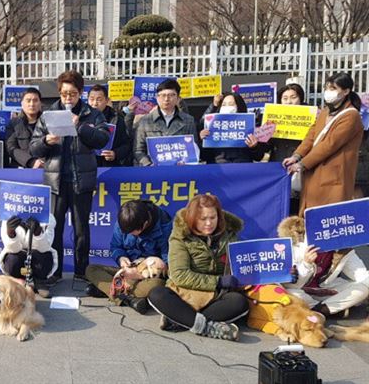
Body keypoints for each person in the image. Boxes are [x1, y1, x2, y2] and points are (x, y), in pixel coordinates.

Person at [29, 70, 110, 282]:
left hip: (81, 180)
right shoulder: (48, 115)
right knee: (54, 229)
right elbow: (33, 148)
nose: (68, 98)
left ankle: (82, 271)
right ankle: (54, 272)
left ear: (81, 93)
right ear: (59, 93)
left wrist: (80, 126)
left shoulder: (92, 114)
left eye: (73, 94)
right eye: (64, 94)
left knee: (81, 229)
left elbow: (102, 139)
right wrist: (46, 141)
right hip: (55, 181)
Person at [147, 195, 249, 341]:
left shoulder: (230, 235)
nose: (209, 223)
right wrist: (218, 281)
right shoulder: (179, 237)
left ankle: (180, 320)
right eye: (203, 219)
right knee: (157, 294)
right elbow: (180, 275)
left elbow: (247, 264)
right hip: (185, 292)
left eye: (213, 218)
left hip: (216, 296)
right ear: (193, 218)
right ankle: (206, 328)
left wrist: (283, 272)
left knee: (239, 302)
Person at [284, 72, 363, 216]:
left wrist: (302, 163)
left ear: (346, 91)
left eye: (333, 88)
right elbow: (311, 136)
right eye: (327, 87)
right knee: (310, 216)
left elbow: (329, 145)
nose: (328, 92)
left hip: (333, 175)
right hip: (314, 173)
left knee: (328, 217)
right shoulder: (325, 112)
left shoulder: (351, 116)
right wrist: (296, 155)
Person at [85, 200, 172, 314]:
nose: (129, 234)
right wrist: (121, 257)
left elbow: (169, 263)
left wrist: (142, 271)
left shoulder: (165, 225)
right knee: (91, 269)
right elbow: (115, 246)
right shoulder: (124, 222)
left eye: (132, 232)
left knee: (157, 286)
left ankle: (111, 291)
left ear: (145, 224)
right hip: (127, 271)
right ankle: (129, 299)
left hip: (148, 276)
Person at [278, 216, 369, 317]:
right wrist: (306, 263)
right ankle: (332, 310)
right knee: (290, 293)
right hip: (302, 290)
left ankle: (321, 310)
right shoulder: (295, 247)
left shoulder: (341, 250)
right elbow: (291, 285)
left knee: (362, 289)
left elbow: (362, 275)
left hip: (326, 289)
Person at [133, 79, 197, 166]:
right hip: (152, 172)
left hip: (179, 171)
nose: (166, 99)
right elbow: (138, 150)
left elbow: (194, 147)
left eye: (171, 95)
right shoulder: (145, 121)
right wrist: (148, 164)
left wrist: (187, 161)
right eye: (163, 95)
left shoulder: (188, 120)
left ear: (178, 98)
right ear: (157, 98)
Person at [0, 215, 58, 298]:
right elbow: (12, 249)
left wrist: (38, 232)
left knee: (44, 256)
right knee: (13, 259)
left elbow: (44, 247)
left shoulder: (47, 217)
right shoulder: (8, 215)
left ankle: (39, 281)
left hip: (37, 258)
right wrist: (11, 233)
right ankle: (17, 282)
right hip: (19, 259)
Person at [200, 92, 263, 163]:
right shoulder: (212, 128)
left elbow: (259, 157)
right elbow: (203, 156)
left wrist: (254, 147)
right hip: (218, 170)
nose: (227, 107)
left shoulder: (250, 126)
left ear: (238, 106)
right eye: (224, 105)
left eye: (231, 104)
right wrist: (203, 141)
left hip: (242, 169)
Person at [87, 84, 131, 167]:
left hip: (109, 166)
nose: (94, 103)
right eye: (91, 99)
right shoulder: (81, 118)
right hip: (87, 166)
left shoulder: (117, 119)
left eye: (99, 100)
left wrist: (115, 154)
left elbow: (126, 145)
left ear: (107, 100)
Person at [266, 84, 306, 162]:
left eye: (293, 98)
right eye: (285, 98)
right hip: (277, 163)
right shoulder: (272, 117)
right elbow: (264, 148)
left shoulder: (312, 117)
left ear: (300, 99)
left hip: (301, 164)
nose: (289, 102)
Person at [6, 88, 45, 168]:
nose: (32, 104)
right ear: (22, 104)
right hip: (21, 170)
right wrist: (30, 161)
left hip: (44, 169)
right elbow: (11, 148)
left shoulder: (47, 122)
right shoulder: (14, 123)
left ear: (40, 103)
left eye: (35, 100)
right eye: (28, 100)